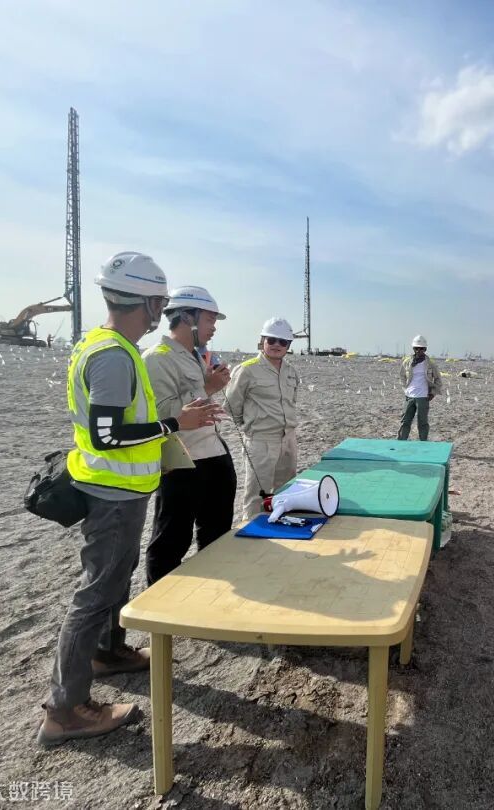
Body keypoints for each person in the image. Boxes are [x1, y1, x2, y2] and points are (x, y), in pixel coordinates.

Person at [39, 252, 220, 747]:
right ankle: (65, 710)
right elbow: (106, 435)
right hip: (112, 492)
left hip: (119, 487)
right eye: (159, 302)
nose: (161, 311)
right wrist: (175, 423)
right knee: (96, 593)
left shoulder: (104, 345)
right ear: (147, 303)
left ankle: (109, 652)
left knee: (114, 580)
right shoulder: (115, 356)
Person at [143, 286, 236, 584]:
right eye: (209, 319)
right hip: (183, 463)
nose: (214, 327)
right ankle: (158, 604)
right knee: (171, 541)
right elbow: (161, 415)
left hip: (213, 454)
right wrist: (207, 388)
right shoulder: (157, 358)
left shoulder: (194, 356)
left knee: (217, 536)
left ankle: (210, 592)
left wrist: (209, 385)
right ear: (187, 318)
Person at [226, 317, 301, 522]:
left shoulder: (291, 371)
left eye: (282, 341)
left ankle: (281, 527)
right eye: (272, 340)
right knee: (257, 495)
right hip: (261, 440)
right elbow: (231, 406)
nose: (277, 345)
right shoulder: (247, 369)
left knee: (286, 491)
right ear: (262, 341)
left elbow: (291, 402)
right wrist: (252, 428)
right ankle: (253, 531)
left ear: (288, 345)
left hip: (288, 439)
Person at [398, 334, 443, 440]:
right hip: (409, 396)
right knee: (405, 421)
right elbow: (402, 376)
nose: (419, 350)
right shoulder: (407, 362)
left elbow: (438, 380)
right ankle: (401, 442)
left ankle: (423, 443)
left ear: (425, 349)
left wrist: (433, 393)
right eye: (416, 348)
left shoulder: (430, 364)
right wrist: (405, 389)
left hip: (423, 397)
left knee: (422, 422)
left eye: (421, 348)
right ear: (413, 349)